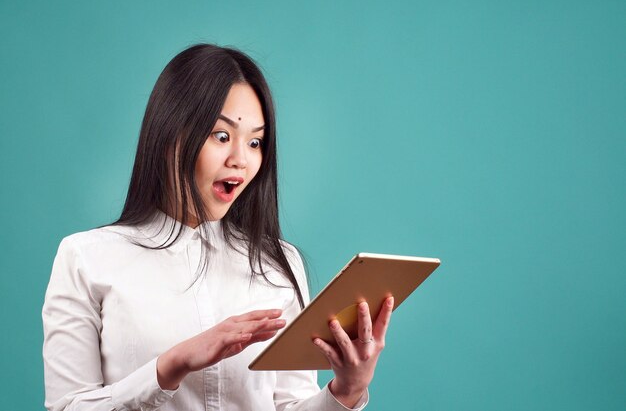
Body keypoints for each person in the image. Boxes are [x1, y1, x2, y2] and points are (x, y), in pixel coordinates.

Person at [42, 43, 394, 411]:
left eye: (255, 142)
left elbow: (291, 404)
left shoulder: (277, 262)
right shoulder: (86, 258)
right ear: (169, 135)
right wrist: (170, 366)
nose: (241, 160)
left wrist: (347, 390)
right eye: (222, 136)